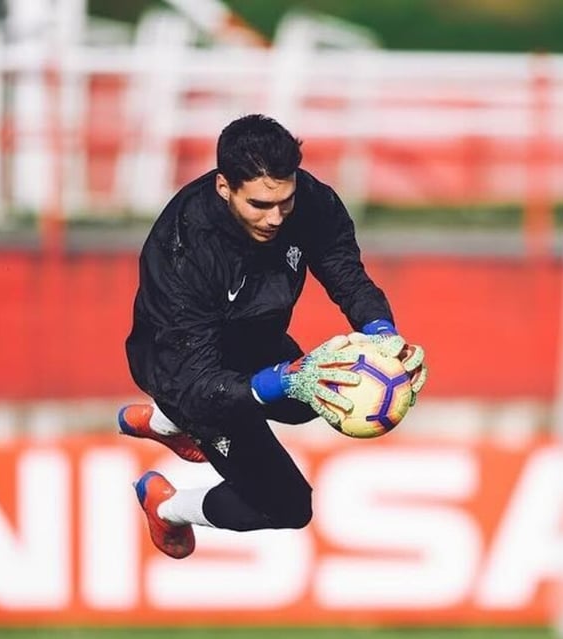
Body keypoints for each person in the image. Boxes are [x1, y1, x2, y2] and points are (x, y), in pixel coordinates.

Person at [118, 113, 427, 558]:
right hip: (180, 368)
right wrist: (284, 379)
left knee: (311, 401)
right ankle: (167, 506)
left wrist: (383, 336)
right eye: (260, 205)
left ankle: (166, 425)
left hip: (254, 338)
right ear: (224, 187)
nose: (275, 217)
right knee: (288, 506)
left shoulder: (311, 203)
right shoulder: (185, 252)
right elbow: (196, 382)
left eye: (285, 201)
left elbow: (346, 274)